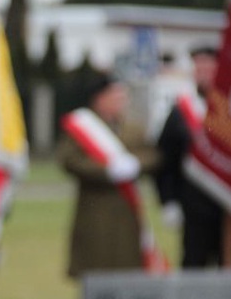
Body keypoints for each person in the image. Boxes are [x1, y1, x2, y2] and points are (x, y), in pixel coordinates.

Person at [58, 74, 160, 278]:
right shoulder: (83, 127)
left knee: (127, 263)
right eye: (115, 95)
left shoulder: (133, 128)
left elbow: (153, 155)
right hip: (95, 207)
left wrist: (135, 164)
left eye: (122, 96)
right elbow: (69, 160)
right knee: (96, 265)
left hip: (127, 210)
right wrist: (107, 171)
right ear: (100, 98)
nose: (121, 100)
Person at [154, 46, 227, 267]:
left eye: (209, 66)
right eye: (199, 67)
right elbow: (165, 160)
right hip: (193, 205)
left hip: (228, 206)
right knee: (195, 263)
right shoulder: (181, 112)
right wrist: (168, 201)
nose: (203, 72)